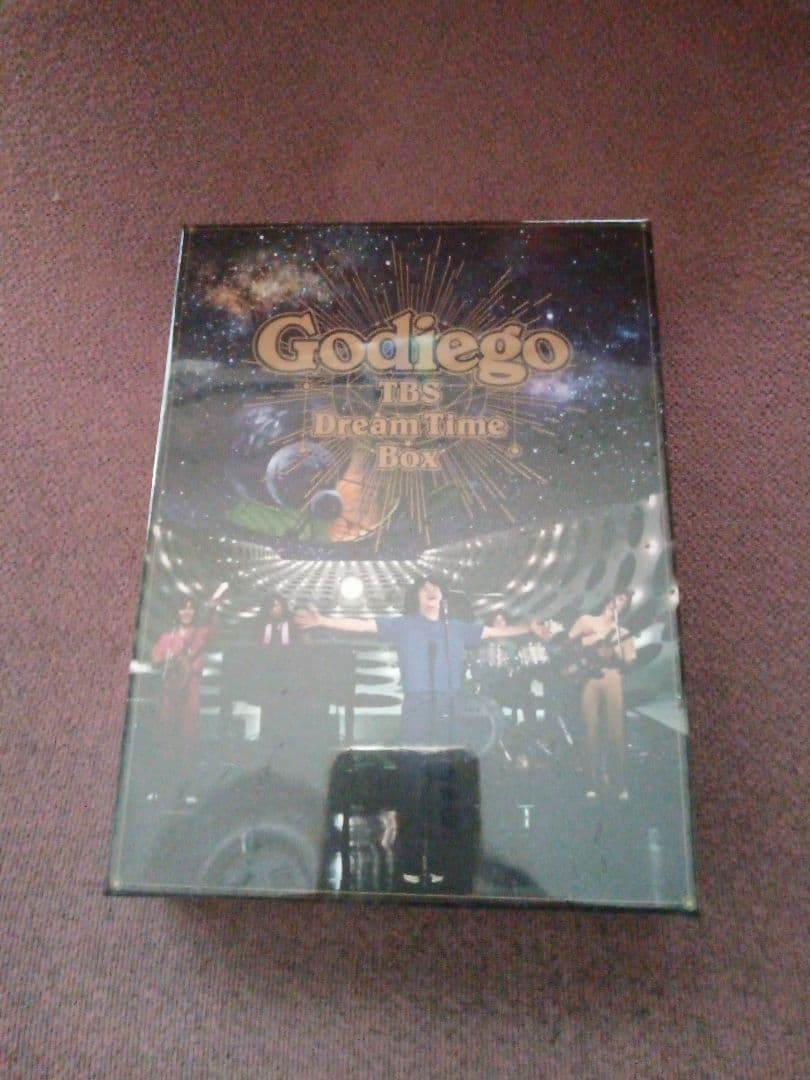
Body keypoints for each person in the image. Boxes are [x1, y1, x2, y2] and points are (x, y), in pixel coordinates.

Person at [295, 577, 550, 747]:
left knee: (447, 759)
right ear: (415, 597)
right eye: (424, 588)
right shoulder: (403, 625)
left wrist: (528, 628)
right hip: (417, 703)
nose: (431, 591)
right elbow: (363, 626)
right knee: (415, 758)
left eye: (435, 587)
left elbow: (494, 632)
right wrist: (323, 621)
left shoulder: (457, 627)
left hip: (451, 702)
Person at [567, 592, 636, 800]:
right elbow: (566, 645)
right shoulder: (586, 620)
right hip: (588, 678)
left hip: (612, 676)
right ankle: (592, 782)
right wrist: (580, 639)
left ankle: (618, 783)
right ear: (608, 599)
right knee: (591, 729)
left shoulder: (623, 633)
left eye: (623, 601)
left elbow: (630, 662)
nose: (617, 602)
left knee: (616, 731)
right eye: (617, 597)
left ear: (624, 608)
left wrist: (617, 655)